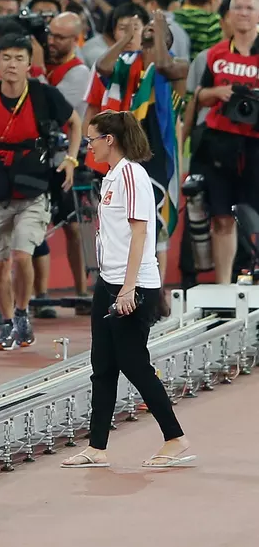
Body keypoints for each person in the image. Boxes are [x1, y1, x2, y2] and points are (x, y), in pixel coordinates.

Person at [61, 112, 193, 469]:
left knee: (134, 364)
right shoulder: (111, 178)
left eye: (91, 140)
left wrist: (129, 288)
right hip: (110, 282)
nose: (87, 146)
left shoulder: (132, 174)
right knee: (102, 365)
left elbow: (139, 233)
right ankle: (97, 446)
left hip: (132, 284)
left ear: (110, 140)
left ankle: (175, 438)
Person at [0, 32, 82, 352]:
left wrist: (70, 159)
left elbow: (76, 123)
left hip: (34, 188)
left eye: (19, 58)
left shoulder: (44, 94)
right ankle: (8, 322)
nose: (11, 64)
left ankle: (22, 312)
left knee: (23, 254)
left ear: (29, 65)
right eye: (5, 58)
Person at [190, 0, 259, 284]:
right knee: (221, 217)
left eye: (249, 7)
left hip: (255, 144)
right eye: (237, 7)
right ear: (229, 15)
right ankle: (222, 286)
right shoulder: (215, 55)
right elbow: (200, 96)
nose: (243, 13)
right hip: (219, 144)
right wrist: (217, 92)